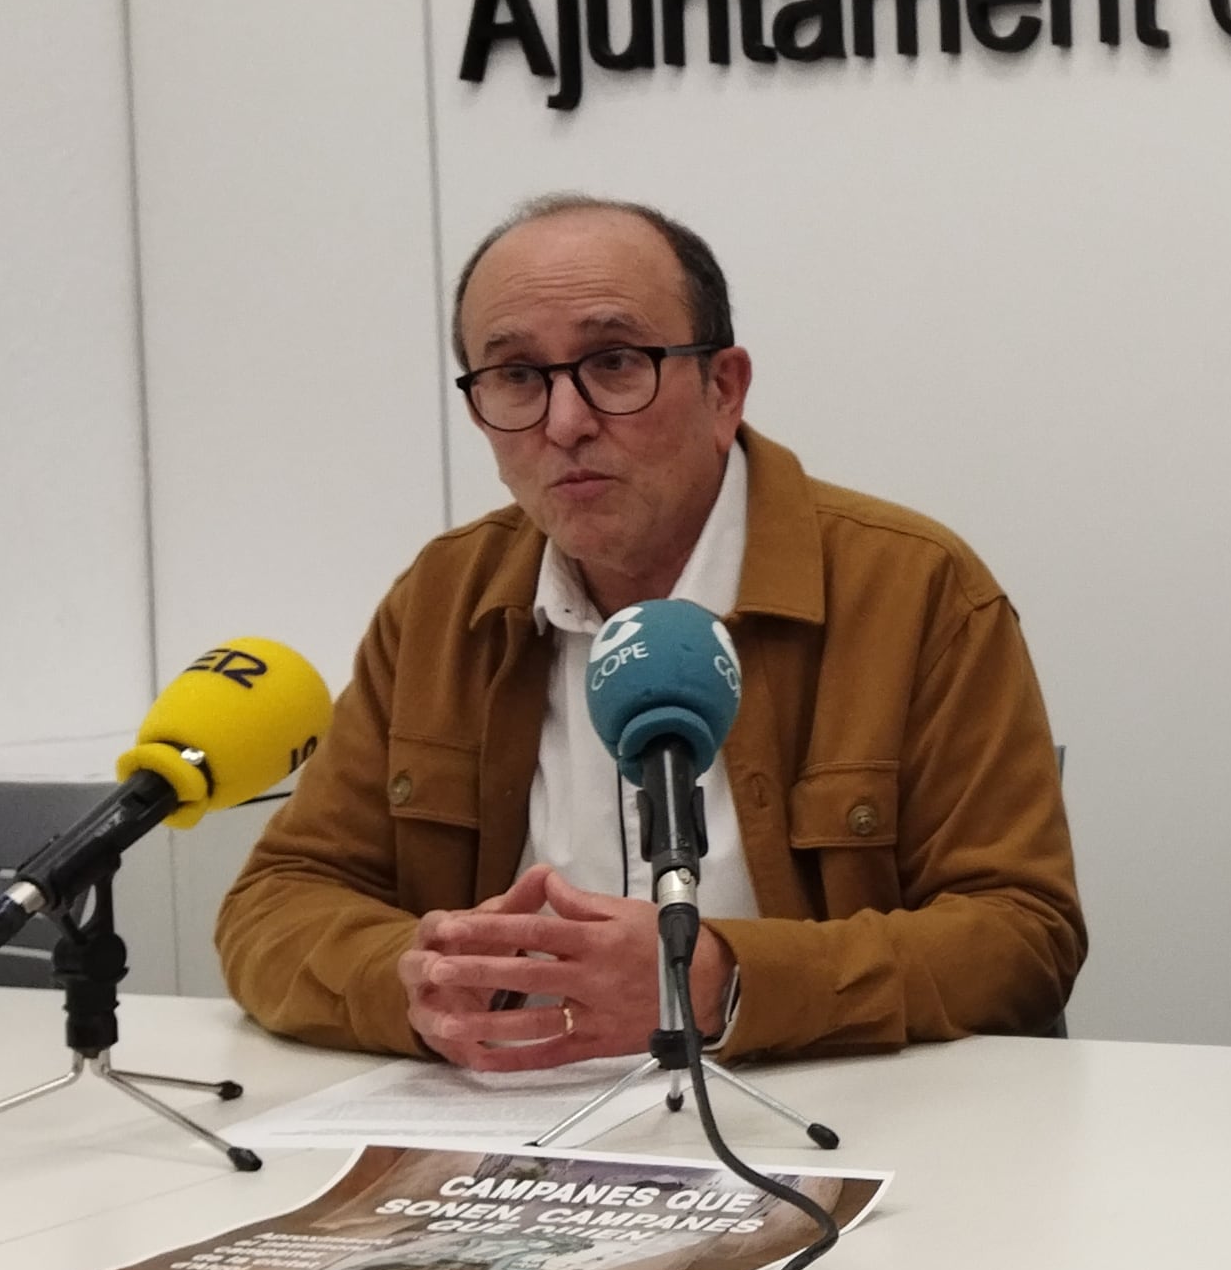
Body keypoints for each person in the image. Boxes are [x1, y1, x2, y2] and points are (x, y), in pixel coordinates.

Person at [219, 194, 1084, 1066]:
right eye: (517, 377)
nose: (564, 423)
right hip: (514, 1127)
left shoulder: (914, 588)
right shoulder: (444, 599)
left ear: (723, 389)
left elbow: (1021, 936)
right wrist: (408, 981)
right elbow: (279, 900)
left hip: (819, 1113)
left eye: (615, 362)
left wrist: (726, 982)